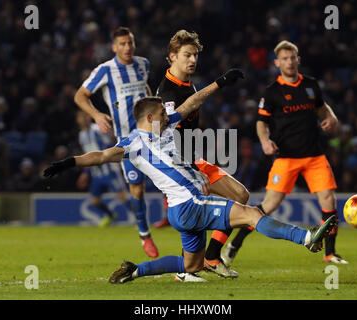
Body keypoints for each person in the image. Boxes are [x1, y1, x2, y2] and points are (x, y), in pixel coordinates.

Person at [44, 70, 337, 285]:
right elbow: (100, 156)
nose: (167, 113)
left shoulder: (165, 126)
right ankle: (307, 238)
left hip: (182, 210)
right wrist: (67, 163)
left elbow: (191, 102)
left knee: (190, 264)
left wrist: (219, 83)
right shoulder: (132, 144)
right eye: (161, 112)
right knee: (249, 214)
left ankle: (134, 270)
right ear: (149, 118)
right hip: (191, 202)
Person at [222, 40, 348, 265]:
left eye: (292, 57)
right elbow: (261, 122)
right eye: (285, 58)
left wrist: (331, 119)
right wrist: (265, 140)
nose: (289, 62)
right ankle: (236, 243)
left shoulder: (310, 85)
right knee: (269, 206)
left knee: (329, 200)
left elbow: (322, 108)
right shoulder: (272, 92)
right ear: (277, 62)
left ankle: (330, 253)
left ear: (298, 60)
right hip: (286, 156)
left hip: (314, 155)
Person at [154, 30, 251, 281]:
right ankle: (185, 270)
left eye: (195, 54)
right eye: (187, 55)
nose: (192, 60)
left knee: (240, 195)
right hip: (177, 163)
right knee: (196, 211)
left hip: (192, 157)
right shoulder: (167, 92)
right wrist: (220, 83)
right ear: (171, 57)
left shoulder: (188, 84)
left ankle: (211, 257)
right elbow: (175, 121)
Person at [73, 27, 158, 257]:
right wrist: (97, 115)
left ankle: (183, 224)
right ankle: (144, 234)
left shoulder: (143, 64)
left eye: (130, 43)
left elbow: (145, 88)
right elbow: (80, 95)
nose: (127, 47)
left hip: (151, 136)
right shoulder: (105, 70)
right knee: (137, 189)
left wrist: (155, 108)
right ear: (114, 47)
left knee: (171, 179)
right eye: (122, 44)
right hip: (126, 141)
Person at [75, 110, 132, 228]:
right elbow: (87, 155)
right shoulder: (81, 135)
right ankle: (111, 215)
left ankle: (140, 219)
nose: (84, 119)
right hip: (96, 173)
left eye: (86, 116)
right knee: (95, 201)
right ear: (78, 120)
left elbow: (109, 145)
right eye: (82, 117)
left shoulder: (96, 129)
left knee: (122, 196)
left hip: (109, 170)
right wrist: (85, 173)